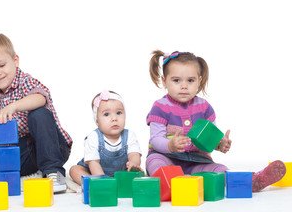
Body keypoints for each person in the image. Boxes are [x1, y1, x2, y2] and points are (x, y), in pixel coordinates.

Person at [146, 50, 286, 192]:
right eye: (176, 80)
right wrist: (170, 145)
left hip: (197, 161)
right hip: (167, 158)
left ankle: (249, 180)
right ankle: (167, 185)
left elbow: (209, 139)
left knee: (220, 170)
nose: (184, 86)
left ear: (199, 81)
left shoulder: (204, 107)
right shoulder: (160, 107)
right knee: (154, 162)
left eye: (190, 80)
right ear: (164, 81)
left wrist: (220, 144)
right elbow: (156, 139)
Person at [0, 33, 73, 193]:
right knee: (0, 163)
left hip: (53, 147)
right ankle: (14, 174)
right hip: (28, 151)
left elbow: (41, 98)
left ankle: (53, 171)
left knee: (39, 114)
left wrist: (14, 106)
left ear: (15, 61)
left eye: (1, 65)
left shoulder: (25, 81)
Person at [69, 90, 143, 185]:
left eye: (119, 113)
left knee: (138, 174)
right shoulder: (93, 137)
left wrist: (134, 162)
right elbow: (93, 163)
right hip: (94, 172)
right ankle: (94, 185)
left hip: (120, 173)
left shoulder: (129, 135)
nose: (114, 118)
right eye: (106, 114)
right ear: (97, 121)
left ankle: (117, 183)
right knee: (74, 170)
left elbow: (134, 154)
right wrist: (103, 182)